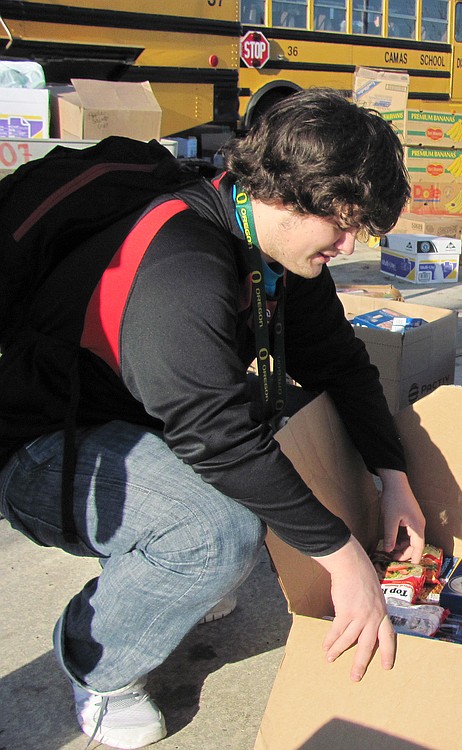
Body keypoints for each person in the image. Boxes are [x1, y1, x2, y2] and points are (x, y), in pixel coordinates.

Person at [0, 89, 426, 749]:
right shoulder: (180, 267)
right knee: (213, 533)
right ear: (288, 195)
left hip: (139, 426)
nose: (349, 244)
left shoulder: (272, 245)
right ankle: (96, 657)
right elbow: (222, 444)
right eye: (342, 225)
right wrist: (347, 562)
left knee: (282, 462)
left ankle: (177, 574)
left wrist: (392, 477)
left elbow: (341, 366)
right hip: (44, 448)